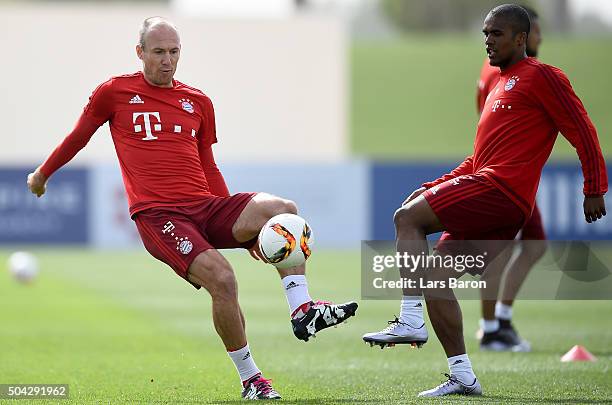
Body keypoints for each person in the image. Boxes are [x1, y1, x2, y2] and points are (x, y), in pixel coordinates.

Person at [26, 17, 357, 401]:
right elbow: (78, 137)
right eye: (159, 52)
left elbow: (208, 164)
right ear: (140, 53)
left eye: (174, 52)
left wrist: (241, 227)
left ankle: (303, 312)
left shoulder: (198, 101)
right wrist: (42, 174)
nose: (167, 60)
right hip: (159, 217)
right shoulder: (113, 92)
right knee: (224, 279)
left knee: (285, 212)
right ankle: (252, 379)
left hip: (204, 207)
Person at [363, 4, 607, 397]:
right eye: (485, 33)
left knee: (406, 219)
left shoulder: (543, 76)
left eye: (496, 33)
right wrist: (433, 185)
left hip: (499, 192)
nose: (488, 41)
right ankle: (462, 375)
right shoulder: (496, 83)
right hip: (494, 196)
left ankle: (410, 319)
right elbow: (477, 159)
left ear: (520, 38)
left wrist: (594, 187)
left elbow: (582, 129)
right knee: (435, 277)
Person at [475, 4, 546, 352]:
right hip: (503, 178)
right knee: (499, 250)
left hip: (516, 176)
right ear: (521, 35)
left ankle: (499, 320)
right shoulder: (500, 74)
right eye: (536, 31)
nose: (541, 37)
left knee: (534, 245)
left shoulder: (525, 73)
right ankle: (491, 327)